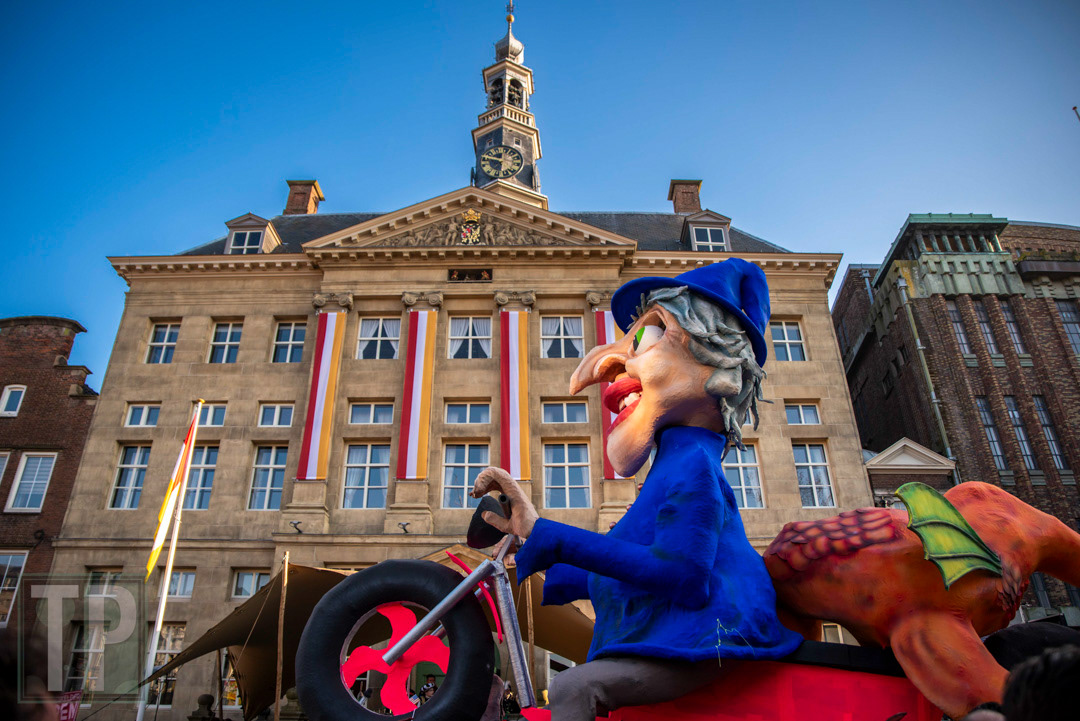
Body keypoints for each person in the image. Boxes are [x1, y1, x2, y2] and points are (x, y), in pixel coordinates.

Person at [474, 259, 802, 721]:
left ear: (718, 362)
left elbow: (682, 576)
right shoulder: (669, 467)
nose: (606, 364)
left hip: (709, 637)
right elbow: (625, 567)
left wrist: (548, 534)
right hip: (676, 635)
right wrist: (532, 553)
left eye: (648, 336)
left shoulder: (693, 467)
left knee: (572, 687)